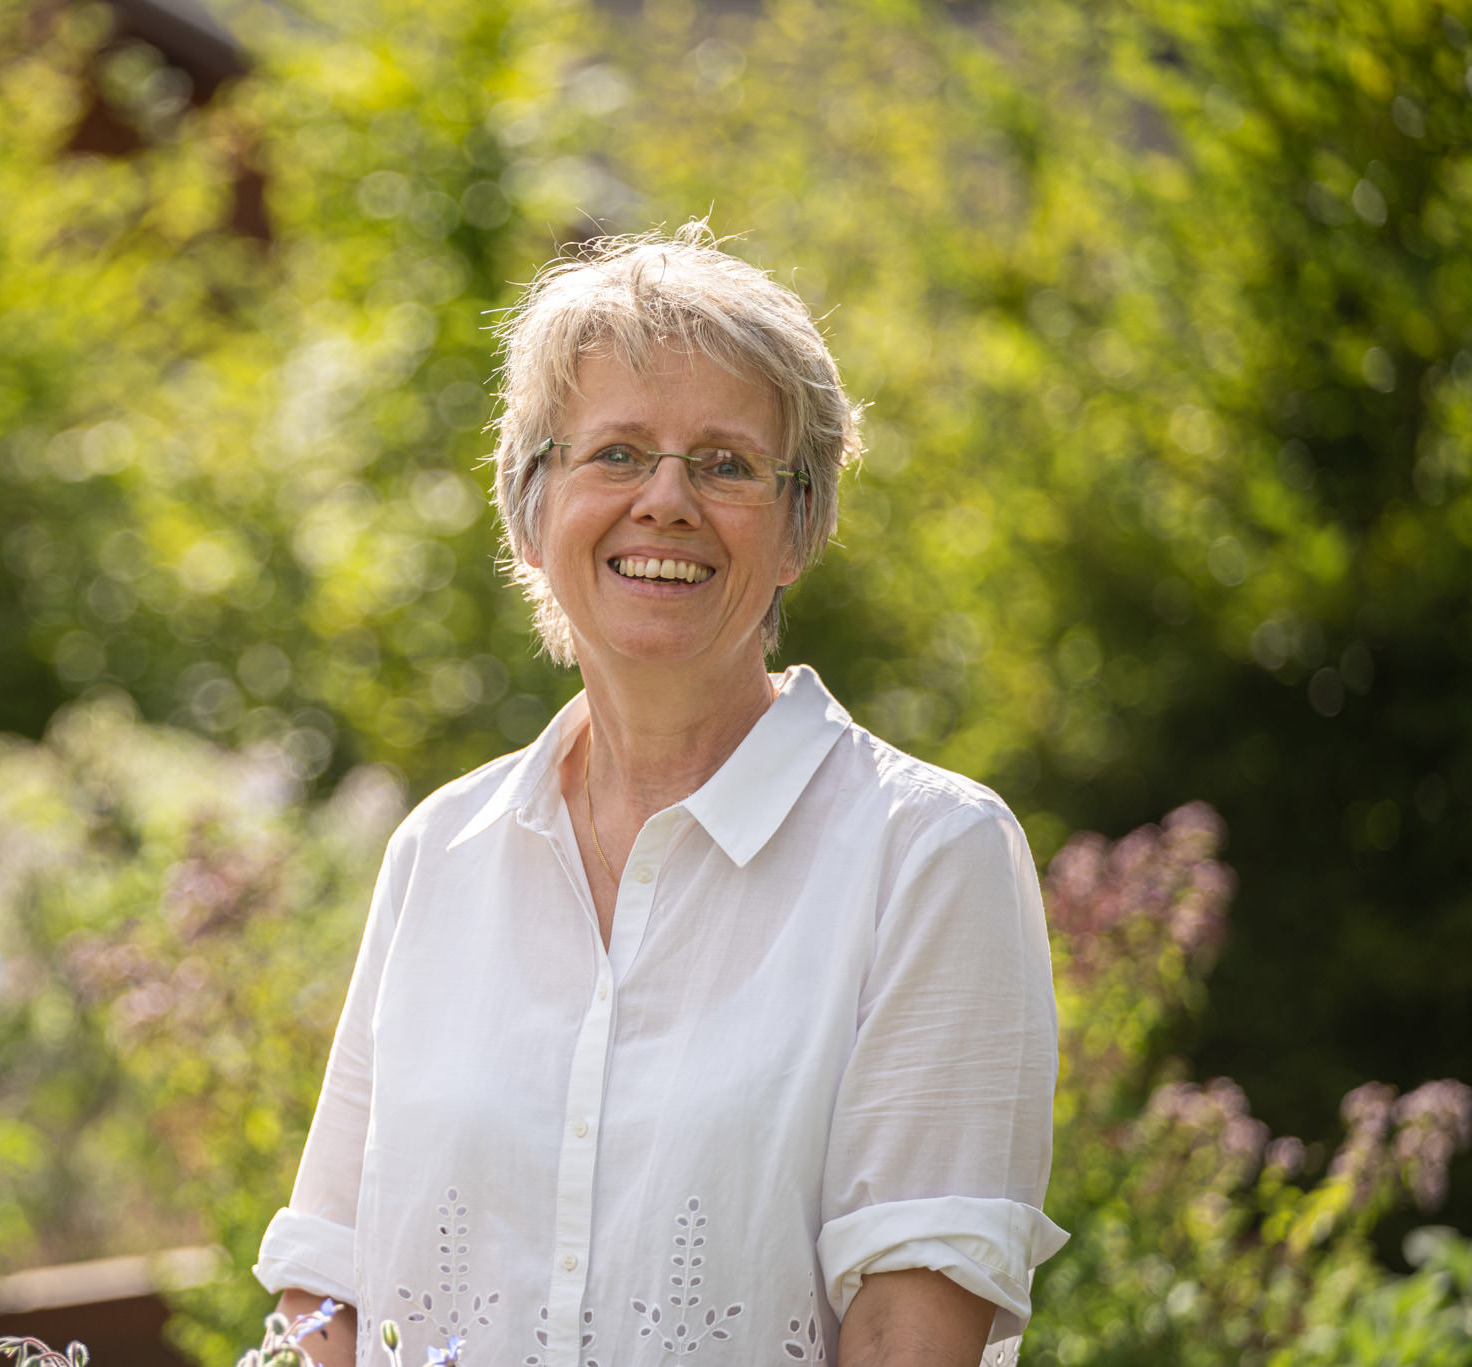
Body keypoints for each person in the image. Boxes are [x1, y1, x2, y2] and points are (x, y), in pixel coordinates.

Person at [253, 224, 1067, 1367]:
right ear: (530, 508)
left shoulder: (929, 854)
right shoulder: (439, 848)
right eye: (617, 453)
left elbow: (909, 1329)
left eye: (727, 464)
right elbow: (326, 1281)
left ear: (799, 526)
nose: (667, 500)